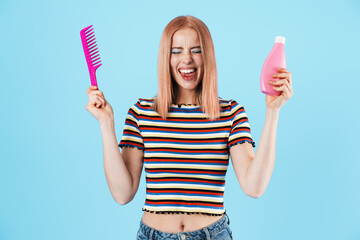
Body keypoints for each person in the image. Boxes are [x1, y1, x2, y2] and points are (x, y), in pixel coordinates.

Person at [85, 15, 293, 240]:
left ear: (208, 56)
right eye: (176, 51)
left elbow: (254, 187)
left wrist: (273, 112)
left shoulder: (231, 113)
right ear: (166, 56)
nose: (187, 59)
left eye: (196, 50)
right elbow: (122, 194)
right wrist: (106, 124)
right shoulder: (141, 113)